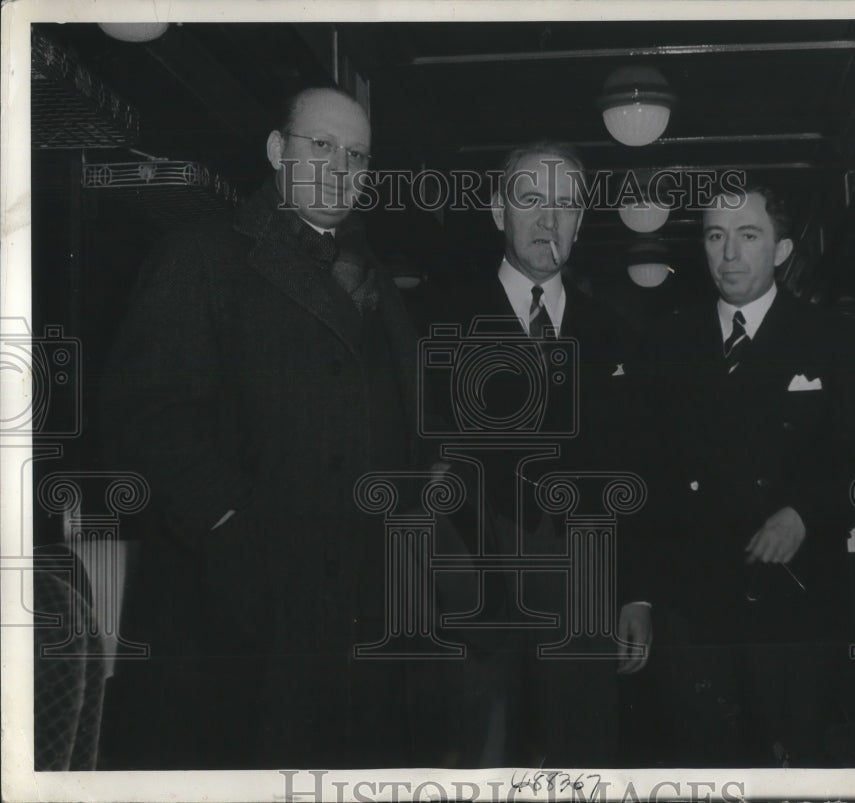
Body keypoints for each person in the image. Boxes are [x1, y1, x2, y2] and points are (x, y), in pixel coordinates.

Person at [99, 86, 437, 769]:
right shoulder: (199, 252)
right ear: (277, 150)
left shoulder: (375, 278)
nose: (341, 167)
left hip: (355, 611)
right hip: (236, 604)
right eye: (322, 145)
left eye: (358, 155)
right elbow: (141, 408)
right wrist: (228, 519)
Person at [426, 142, 653, 767]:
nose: (548, 221)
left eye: (565, 205)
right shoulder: (431, 321)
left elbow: (634, 475)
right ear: (500, 212)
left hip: (584, 591)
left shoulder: (619, 334)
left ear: (581, 222)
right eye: (530, 200)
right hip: (469, 588)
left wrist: (635, 596)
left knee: (580, 764)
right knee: (480, 763)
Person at [648, 181, 855, 767]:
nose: (729, 255)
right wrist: (639, 594)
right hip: (695, 606)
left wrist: (806, 511)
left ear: (781, 250)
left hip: (795, 602)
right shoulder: (666, 343)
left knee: (790, 764)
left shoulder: (833, 339)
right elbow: (645, 475)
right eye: (715, 236)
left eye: (748, 236)